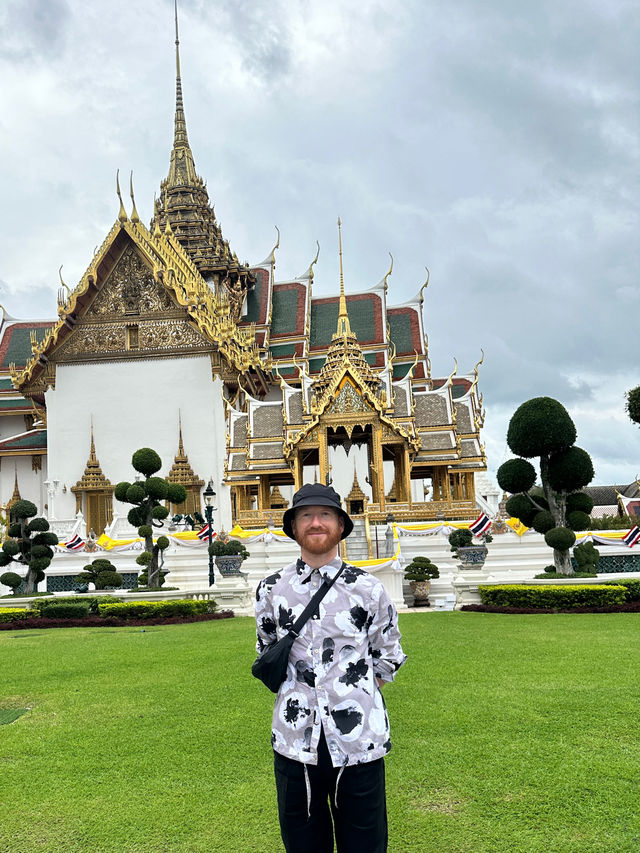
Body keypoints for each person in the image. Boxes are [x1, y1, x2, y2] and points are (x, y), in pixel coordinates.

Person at [254, 483, 407, 853]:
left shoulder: (367, 589)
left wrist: (351, 695)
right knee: (303, 843)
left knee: (364, 843)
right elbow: (266, 649)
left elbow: (387, 656)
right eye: (305, 515)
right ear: (294, 528)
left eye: (325, 515)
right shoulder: (272, 590)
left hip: (358, 740)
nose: (316, 522)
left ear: (341, 525)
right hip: (296, 739)